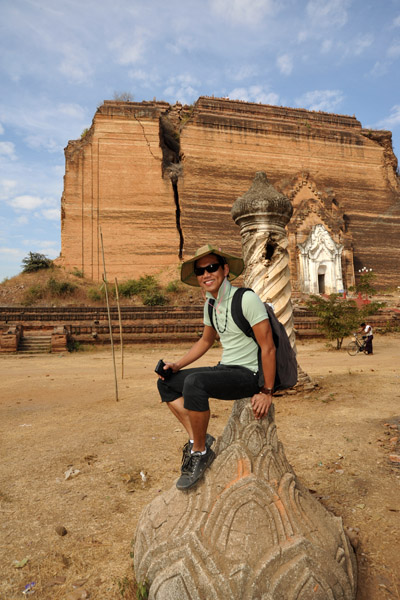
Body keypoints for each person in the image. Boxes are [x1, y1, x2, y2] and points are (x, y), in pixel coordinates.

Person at [157, 244, 276, 491]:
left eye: (211, 268)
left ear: (224, 270)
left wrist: (266, 391)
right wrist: (176, 365)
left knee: (195, 384)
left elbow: (268, 347)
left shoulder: (246, 298)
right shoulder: (210, 305)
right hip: (225, 369)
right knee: (166, 382)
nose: (206, 275)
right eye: (200, 271)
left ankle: (199, 453)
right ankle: (197, 438)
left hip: (249, 375)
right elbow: (205, 341)